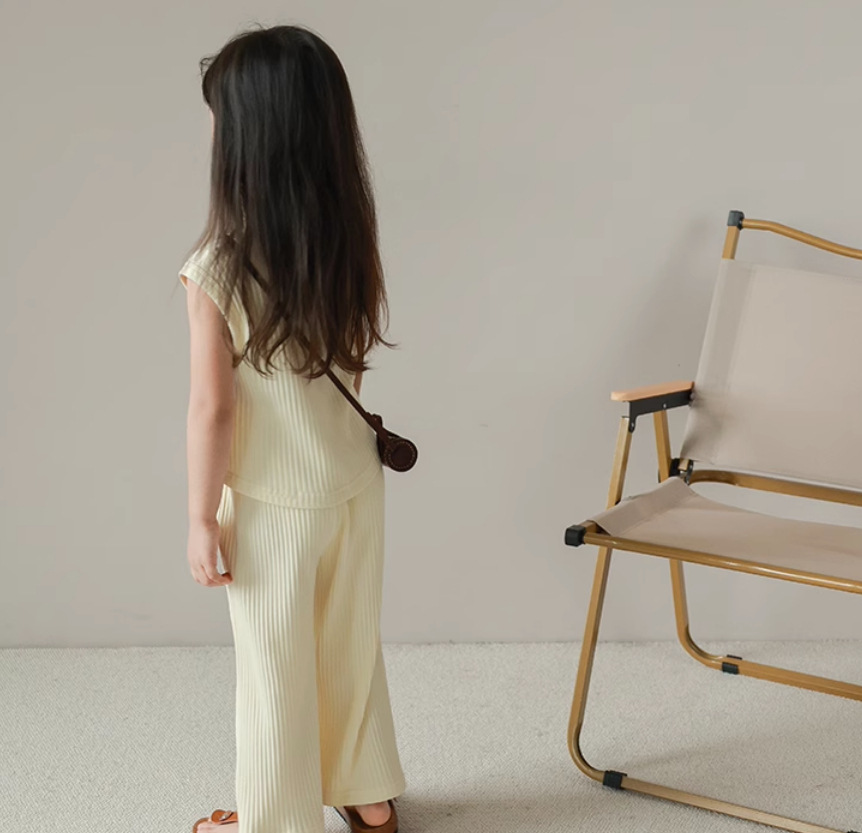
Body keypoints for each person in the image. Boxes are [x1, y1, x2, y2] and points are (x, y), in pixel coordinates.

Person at [178, 23, 405, 833]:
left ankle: (276, 820)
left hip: (274, 502)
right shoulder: (345, 238)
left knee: (274, 671)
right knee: (348, 647)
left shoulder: (217, 269)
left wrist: (201, 517)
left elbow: (214, 408)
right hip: (354, 483)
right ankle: (369, 798)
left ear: (246, 140)